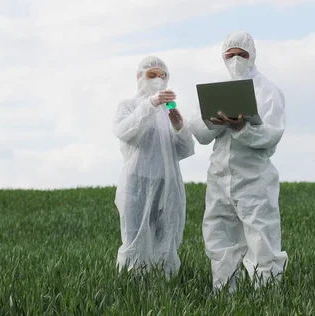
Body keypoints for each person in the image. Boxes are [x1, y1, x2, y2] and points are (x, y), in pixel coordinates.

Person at [188, 31, 288, 292]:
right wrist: (218, 121)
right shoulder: (218, 90)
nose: (235, 60)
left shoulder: (268, 91)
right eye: (230, 55)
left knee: (261, 239)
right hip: (220, 176)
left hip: (253, 177)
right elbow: (199, 133)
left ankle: (267, 297)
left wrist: (242, 127)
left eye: (241, 54)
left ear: (252, 54)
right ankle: (225, 295)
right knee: (219, 236)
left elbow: (272, 134)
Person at [112, 56, 195, 279]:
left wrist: (179, 126)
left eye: (162, 76)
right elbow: (124, 131)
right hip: (137, 183)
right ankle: (132, 287)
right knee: (134, 238)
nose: (158, 80)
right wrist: (150, 104)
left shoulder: (168, 110)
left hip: (168, 184)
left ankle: (165, 285)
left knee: (167, 237)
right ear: (139, 77)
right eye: (152, 75)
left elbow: (184, 150)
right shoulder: (128, 106)